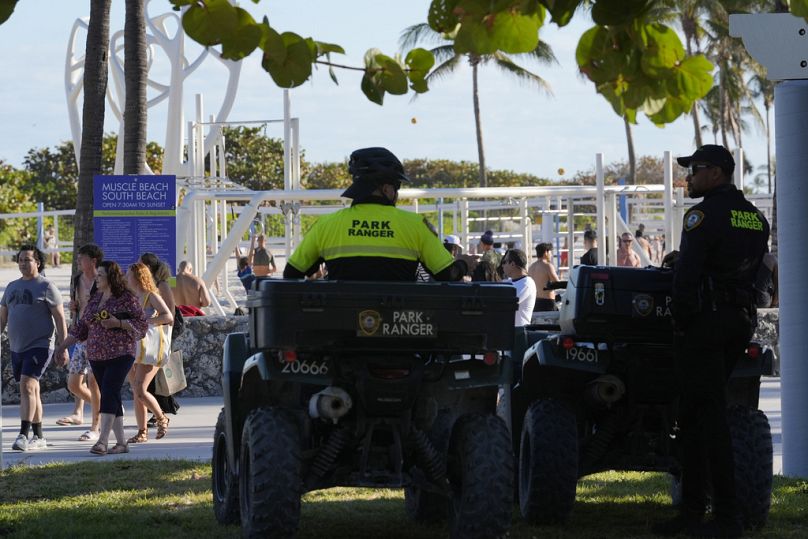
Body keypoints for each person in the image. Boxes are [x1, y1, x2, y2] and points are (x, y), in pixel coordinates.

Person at [653, 144, 770, 538]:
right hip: (739, 321)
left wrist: (682, 323)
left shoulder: (702, 215)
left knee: (708, 418)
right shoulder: (754, 218)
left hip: (706, 321)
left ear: (716, 173)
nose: (689, 176)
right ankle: (691, 511)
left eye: (695, 169)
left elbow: (687, 276)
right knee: (695, 415)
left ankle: (726, 517)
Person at [283, 147, 467, 282]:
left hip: (339, 328)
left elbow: (291, 273)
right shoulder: (416, 224)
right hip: (400, 330)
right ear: (386, 188)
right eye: (397, 187)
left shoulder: (326, 225)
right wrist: (464, 264)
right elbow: (446, 274)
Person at [54, 261, 148, 456]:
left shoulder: (126, 299)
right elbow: (81, 328)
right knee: (112, 395)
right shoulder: (95, 299)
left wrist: (119, 323)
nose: (96, 279)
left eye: (100, 276)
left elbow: (142, 325)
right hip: (96, 356)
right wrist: (62, 346)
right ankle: (121, 443)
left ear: (111, 277)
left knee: (108, 391)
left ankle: (103, 441)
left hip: (121, 353)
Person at [0, 244, 68, 451]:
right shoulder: (11, 287)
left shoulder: (46, 286)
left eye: (27, 260)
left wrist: (62, 347)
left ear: (37, 262)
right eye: (20, 260)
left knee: (27, 386)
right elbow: (3, 317)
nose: (23, 263)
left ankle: (23, 434)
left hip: (40, 345)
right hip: (17, 347)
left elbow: (60, 319)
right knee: (33, 389)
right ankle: (39, 436)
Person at [58, 243, 103, 443]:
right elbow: (75, 306)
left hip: (98, 336)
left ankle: (95, 426)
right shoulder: (77, 279)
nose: (77, 261)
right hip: (80, 334)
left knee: (94, 383)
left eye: (81, 258)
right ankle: (104, 406)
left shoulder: (102, 279)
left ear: (92, 260)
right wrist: (73, 306)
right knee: (74, 384)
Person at [126, 262, 174, 443]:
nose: (126, 277)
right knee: (136, 392)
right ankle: (142, 432)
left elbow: (168, 316)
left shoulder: (150, 295)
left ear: (138, 277)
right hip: (134, 348)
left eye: (129, 274)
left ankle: (162, 418)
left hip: (149, 349)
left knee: (140, 389)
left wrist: (147, 320)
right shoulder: (131, 297)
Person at [140, 253, 181, 423]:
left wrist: (165, 336)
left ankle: (161, 411)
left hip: (162, 331)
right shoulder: (147, 286)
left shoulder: (162, 285)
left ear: (148, 267)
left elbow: (170, 311)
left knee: (158, 375)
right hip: (152, 331)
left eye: (141, 265)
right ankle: (157, 411)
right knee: (150, 376)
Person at [501, 249, 536, 327]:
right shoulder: (509, 282)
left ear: (512, 264)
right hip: (508, 331)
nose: (502, 265)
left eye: (504, 262)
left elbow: (507, 303)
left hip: (518, 332)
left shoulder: (527, 283)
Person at [528, 242, 560, 311]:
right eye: (550, 253)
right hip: (547, 303)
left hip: (535, 302)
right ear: (546, 252)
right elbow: (558, 284)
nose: (551, 255)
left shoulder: (531, 267)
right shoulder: (547, 266)